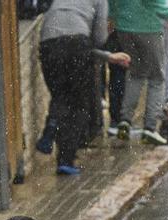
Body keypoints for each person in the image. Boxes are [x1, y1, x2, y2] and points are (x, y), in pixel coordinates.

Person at [40, 0, 132, 174]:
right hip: (77, 45)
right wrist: (107, 53)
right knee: (79, 104)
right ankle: (66, 160)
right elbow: (99, 38)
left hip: (48, 43)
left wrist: (108, 57)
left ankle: (51, 126)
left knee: (60, 94)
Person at [110, 0, 168, 143]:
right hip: (147, 26)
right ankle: (150, 128)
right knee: (157, 78)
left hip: (124, 26)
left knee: (135, 73)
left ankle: (125, 121)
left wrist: (113, 16)